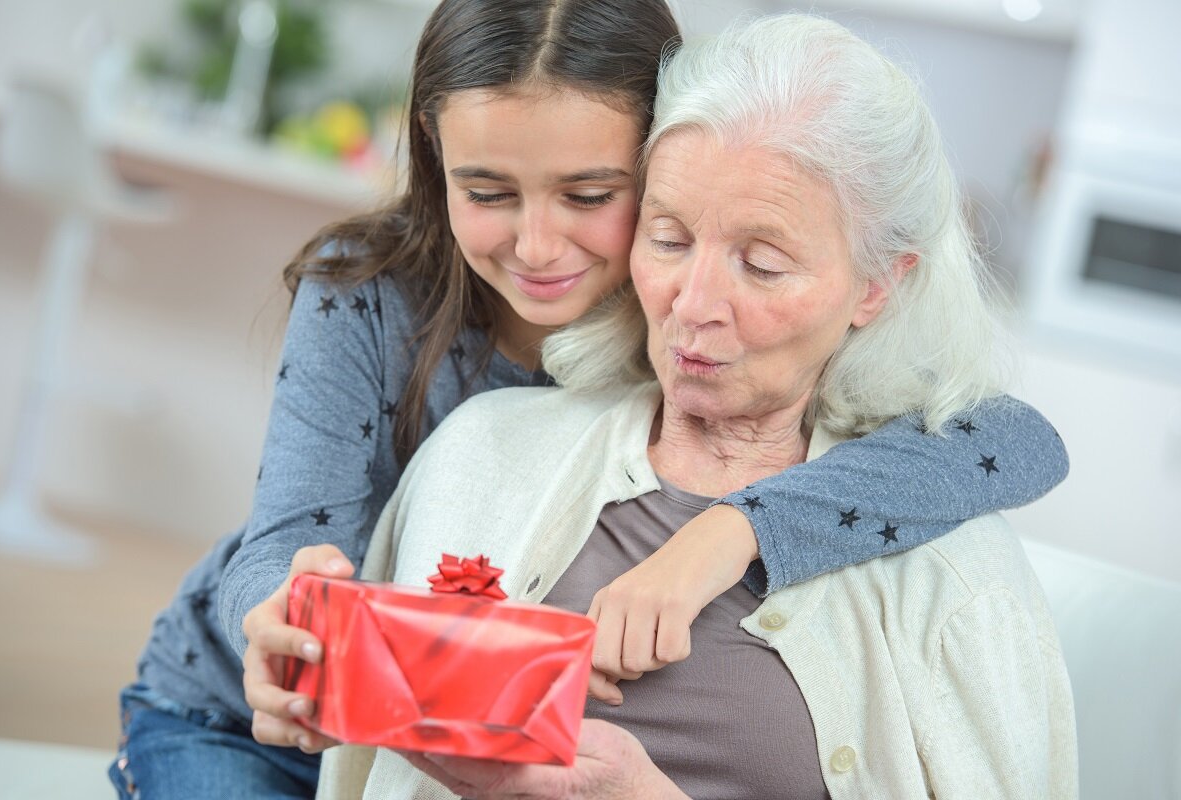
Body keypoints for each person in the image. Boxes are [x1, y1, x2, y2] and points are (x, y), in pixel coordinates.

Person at [111, 2, 1067, 798]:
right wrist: (279, 612)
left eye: (588, 194)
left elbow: (1012, 439)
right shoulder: (374, 298)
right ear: (435, 164)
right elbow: (290, 527)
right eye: (487, 190)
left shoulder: (693, 319)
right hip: (243, 706)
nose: (536, 246)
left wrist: (732, 532)